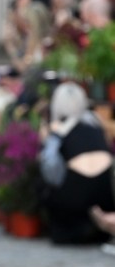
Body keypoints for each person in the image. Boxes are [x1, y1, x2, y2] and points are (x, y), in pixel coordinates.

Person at [39, 81, 115, 244]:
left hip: (72, 196)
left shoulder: (58, 129)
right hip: (105, 191)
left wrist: (48, 140)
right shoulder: (95, 122)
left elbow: (51, 172)